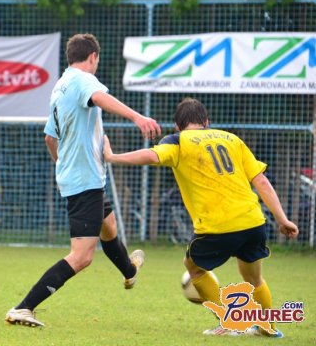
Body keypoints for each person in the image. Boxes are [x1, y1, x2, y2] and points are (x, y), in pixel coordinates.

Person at [103, 97, 299, 337]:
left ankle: (229, 322)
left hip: (218, 226)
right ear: (206, 121)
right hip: (252, 221)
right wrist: (282, 219)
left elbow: (152, 156)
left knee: (193, 268)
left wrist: (112, 157)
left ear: (177, 126)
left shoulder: (178, 141)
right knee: (254, 279)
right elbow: (262, 181)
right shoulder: (232, 139)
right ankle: (269, 328)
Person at [5, 33, 161, 327]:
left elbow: (49, 137)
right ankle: (23, 307)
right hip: (84, 180)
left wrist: (62, 165)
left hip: (81, 177)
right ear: (93, 57)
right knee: (82, 256)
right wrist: (137, 117)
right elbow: (99, 97)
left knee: (108, 226)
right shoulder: (82, 80)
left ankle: (129, 271)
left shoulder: (60, 86)